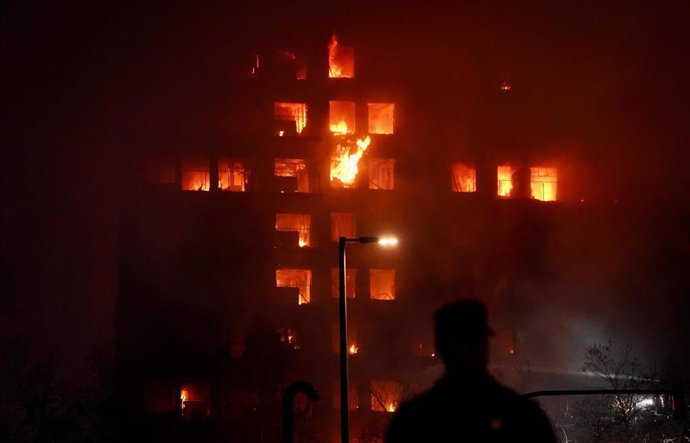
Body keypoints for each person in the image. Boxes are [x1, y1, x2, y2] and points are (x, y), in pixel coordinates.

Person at [385, 299, 557, 443]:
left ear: (439, 348)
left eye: (474, 342)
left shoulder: (413, 420)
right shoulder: (523, 416)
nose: (469, 350)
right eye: (463, 343)